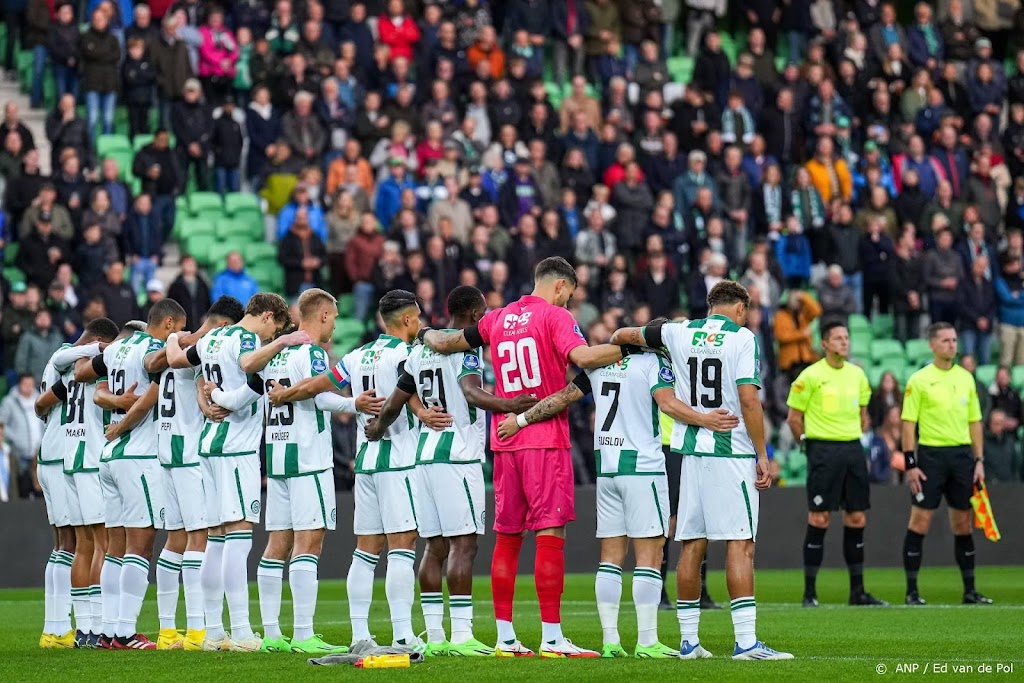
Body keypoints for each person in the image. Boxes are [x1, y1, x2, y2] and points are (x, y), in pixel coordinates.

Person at [418, 257, 631, 657]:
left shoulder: (496, 318)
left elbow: (447, 342)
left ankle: (505, 637)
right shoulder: (555, 316)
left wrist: (425, 333)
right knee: (550, 534)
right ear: (562, 285)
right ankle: (552, 638)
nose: (571, 298)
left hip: (504, 439)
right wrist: (625, 347)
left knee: (508, 537)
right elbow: (583, 360)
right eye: (571, 291)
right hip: (544, 437)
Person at [496, 329, 738, 658]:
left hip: (607, 469)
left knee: (610, 556)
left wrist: (521, 420)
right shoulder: (654, 362)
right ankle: (648, 642)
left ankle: (611, 642)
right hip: (643, 468)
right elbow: (667, 404)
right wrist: (705, 419)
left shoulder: (599, 365)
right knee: (650, 556)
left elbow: (561, 398)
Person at [608, 280, 793, 660]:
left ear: (711, 306)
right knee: (740, 544)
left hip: (689, 453)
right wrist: (762, 454)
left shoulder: (678, 332)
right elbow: (748, 399)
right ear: (740, 309)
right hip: (731, 452)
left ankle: (689, 642)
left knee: (692, 544)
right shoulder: (743, 338)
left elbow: (622, 333)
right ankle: (745, 643)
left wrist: (633, 343)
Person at [366, 286, 539, 656]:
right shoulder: (465, 348)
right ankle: (461, 636)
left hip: (423, 458)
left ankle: (436, 635)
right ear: (477, 316)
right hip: (458, 457)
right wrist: (511, 405)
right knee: (464, 544)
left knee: (435, 546)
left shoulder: (418, 349)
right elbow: (472, 394)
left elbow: (396, 401)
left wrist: (377, 429)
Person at [268, 290, 440, 651]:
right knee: (403, 544)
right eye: (418, 317)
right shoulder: (406, 353)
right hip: (398, 458)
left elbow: (318, 386)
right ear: (408, 320)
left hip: (366, 460)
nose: (421, 323)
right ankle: (403, 633)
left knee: (365, 549)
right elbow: (406, 389)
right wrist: (423, 413)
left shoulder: (358, 354)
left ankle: (360, 634)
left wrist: (286, 394)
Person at [208, 289, 374, 654]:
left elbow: (244, 397)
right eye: (332, 317)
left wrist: (214, 398)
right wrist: (353, 402)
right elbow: (320, 395)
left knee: (276, 545)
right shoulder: (313, 353)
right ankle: (301, 634)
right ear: (326, 316)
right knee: (308, 544)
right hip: (309, 461)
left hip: (278, 457)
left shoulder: (276, 353)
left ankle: (270, 634)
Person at [165, 292, 295, 651]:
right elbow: (245, 390)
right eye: (275, 329)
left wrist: (176, 339)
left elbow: (176, 360)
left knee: (216, 540)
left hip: (207, 445)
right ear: (267, 317)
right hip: (236, 447)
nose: (271, 337)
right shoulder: (248, 341)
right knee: (238, 538)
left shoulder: (211, 338)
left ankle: (213, 632)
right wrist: (219, 399)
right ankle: (239, 632)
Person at [89, 301, 188, 648]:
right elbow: (148, 399)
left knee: (115, 547)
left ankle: (109, 629)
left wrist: (115, 405)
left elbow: (90, 383)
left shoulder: (116, 347)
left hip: (109, 460)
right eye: (177, 329)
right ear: (170, 323)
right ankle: (126, 632)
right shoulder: (154, 349)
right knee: (141, 545)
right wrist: (123, 425)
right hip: (138, 456)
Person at [152, 296, 243, 650]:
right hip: (190, 453)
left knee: (174, 540)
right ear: (224, 326)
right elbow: (203, 387)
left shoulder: (176, 343)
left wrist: (176, 338)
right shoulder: (207, 346)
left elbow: (164, 365)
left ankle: (165, 631)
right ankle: (195, 631)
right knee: (199, 538)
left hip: (165, 451)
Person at [786, 321, 886, 609]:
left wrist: (859, 427)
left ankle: (858, 592)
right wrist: (808, 445)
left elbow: (864, 413)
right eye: (838, 338)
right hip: (823, 450)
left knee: (857, 518)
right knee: (820, 518)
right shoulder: (811, 375)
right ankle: (809, 594)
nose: (845, 342)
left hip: (852, 449)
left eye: (847, 337)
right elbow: (794, 418)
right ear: (825, 344)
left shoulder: (858, 375)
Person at [35, 318, 120, 647]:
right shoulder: (78, 362)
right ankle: (90, 626)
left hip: (60, 454)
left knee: (67, 545)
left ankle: (58, 627)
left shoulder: (63, 361)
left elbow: (42, 403)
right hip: (73, 456)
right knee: (93, 543)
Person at [901, 322, 992, 606]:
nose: (952, 344)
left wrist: (979, 460)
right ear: (932, 345)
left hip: (962, 457)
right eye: (945, 340)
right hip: (931, 456)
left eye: (954, 339)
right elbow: (908, 423)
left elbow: (975, 422)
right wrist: (910, 463)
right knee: (920, 520)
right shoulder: (919, 379)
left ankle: (970, 590)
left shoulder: (966, 378)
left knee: (963, 522)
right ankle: (912, 591)